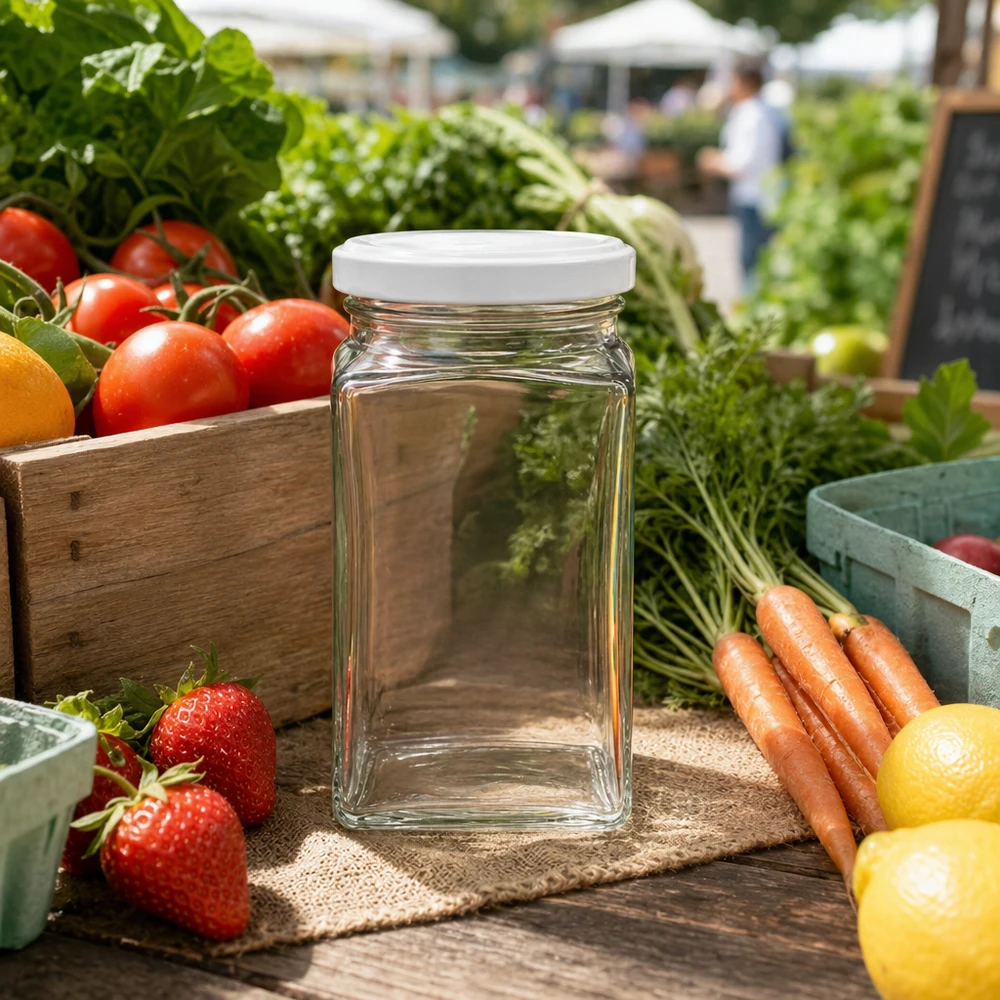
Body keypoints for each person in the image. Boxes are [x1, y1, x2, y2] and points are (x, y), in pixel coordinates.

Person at [697, 63, 783, 288]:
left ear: (744, 83)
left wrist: (714, 161)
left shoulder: (752, 116)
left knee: (751, 262)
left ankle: (753, 310)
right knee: (754, 261)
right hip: (756, 195)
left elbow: (742, 163)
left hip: (755, 197)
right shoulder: (756, 112)